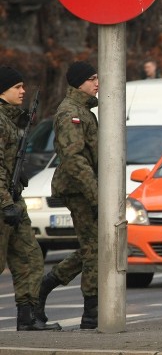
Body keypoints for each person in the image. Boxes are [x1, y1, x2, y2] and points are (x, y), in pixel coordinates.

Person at [37, 61, 100, 330]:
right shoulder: (70, 113)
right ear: (78, 83)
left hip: (87, 189)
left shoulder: (85, 111)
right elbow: (74, 159)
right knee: (95, 249)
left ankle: (44, 287)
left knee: (93, 248)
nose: (97, 83)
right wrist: (96, 197)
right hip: (79, 190)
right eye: (91, 79)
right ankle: (92, 312)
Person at [0, 66, 61, 331]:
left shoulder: (11, 120)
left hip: (14, 202)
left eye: (24, 86)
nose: (23, 91)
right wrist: (5, 204)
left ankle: (28, 317)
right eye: (17, 87)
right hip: (4, 204)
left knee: (30, 258)